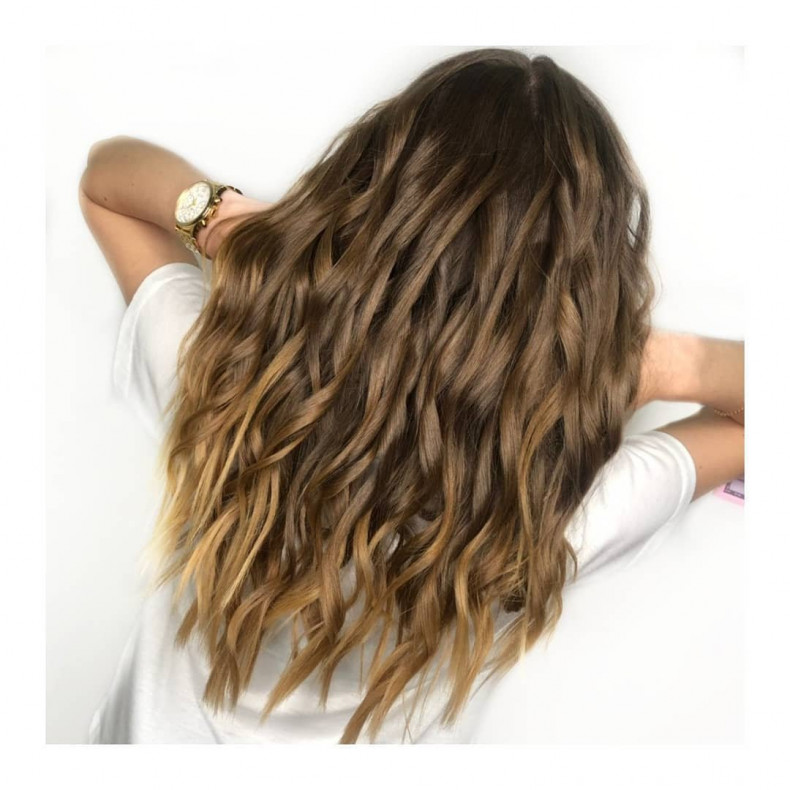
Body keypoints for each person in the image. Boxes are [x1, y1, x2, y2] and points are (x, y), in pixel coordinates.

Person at [78, 47, 744, 744]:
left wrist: (236, 230)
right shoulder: (548, 518)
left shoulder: (225, 383)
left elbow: (106, 178)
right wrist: (630, 366)